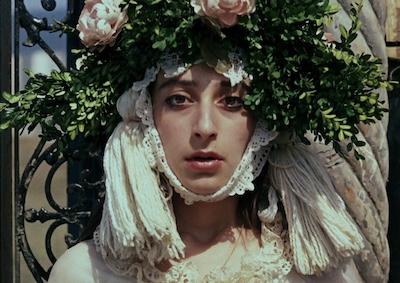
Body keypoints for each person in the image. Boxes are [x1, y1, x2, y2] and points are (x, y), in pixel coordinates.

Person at [0, 0, 387, 282]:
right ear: (142, 114)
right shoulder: (86, 273)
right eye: (179, 99)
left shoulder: (318, 273)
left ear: (265, 123)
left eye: (233, 101)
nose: (205, 126)